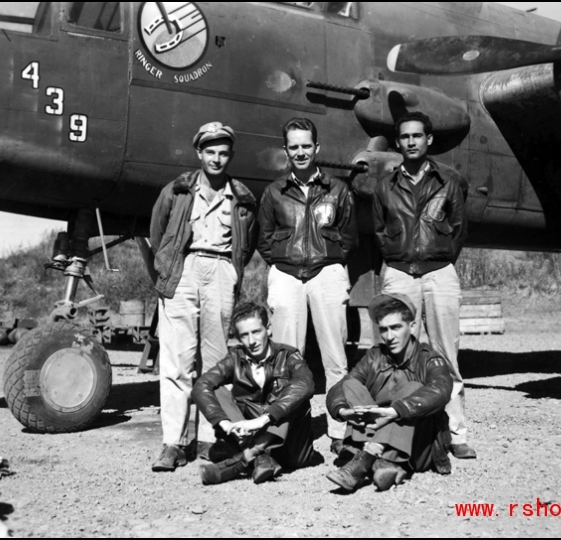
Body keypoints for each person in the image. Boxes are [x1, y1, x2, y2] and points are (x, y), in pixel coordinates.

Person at [149, 122, 259, 472]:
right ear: (199, 153)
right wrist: (168, 267)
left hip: (221, 270)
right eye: (210, 152)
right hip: (184, 269)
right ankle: (174, 443)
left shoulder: (241, 197)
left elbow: (248, 241)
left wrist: (230, 271)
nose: (216, 158)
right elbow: (158, 230)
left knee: (215, 362)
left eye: (223, 153)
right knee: (177, 361)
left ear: (230, 155)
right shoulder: (178, 190)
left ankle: (215, 438)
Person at [372, 111, 475, 460]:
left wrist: (438, 259)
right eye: (405, 137)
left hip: (439, 272)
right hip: (399, 273)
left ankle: (456, 434)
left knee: (446, 353)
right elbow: (379, 229)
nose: (411, 142)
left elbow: (459, 228)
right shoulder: (385, 184)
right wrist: (398, 259)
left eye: (418, 136)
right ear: (398, 142)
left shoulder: (448, 181)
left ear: (429, 140)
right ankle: (400, 432)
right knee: (398, 353)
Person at [257, 117, 358, 456]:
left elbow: (349, 237)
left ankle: (341, 433)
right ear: (286, 150)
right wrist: (286, 260)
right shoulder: (273, 192)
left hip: (327, 273)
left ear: (317, 148)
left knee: (335, 358)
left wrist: (327, 259)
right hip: (286, 275)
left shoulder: (338, 190)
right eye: (293, 146)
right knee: (286, 361)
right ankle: (290, 431)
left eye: (305, 146)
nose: (300, 152)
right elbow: (264, 239)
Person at [325, 293, 453, 493]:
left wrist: (395, 411)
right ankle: (382, 464)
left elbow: (442, 389)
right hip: (376, 431)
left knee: (413, 388)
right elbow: (342, 386)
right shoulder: (374, 356)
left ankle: (364, 460)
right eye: (383, 329)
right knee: (350, 384)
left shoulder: (429, 359)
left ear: (412, 327)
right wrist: (342, 411)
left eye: (396, 327)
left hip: (417, 441)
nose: (389, 336)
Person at [191, 302, 321, 485]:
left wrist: (263, 420)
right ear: (238, 337)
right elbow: (201, 385)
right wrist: (226, 425)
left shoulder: (288, 355)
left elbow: (306, 383)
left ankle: (247, 456)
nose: (251, 341)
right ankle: (261, 458)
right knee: (216, 388)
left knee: (294, 393)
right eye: (244, 335)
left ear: (268, 329)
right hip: (247, 435)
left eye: (256, 332)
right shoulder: (235, 358)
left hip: (291, 449)